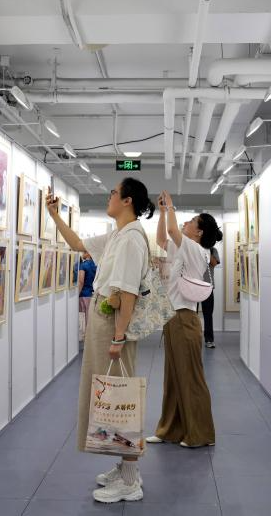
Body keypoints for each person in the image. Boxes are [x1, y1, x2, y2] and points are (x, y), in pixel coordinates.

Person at [44, 178, 155, 504]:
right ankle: (125, 468)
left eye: (113, 192)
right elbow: (78, 244)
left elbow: (128, 295)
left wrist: (118, 338)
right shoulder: (119, 234)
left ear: (127, 200)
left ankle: (130, 480)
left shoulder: (131, 239)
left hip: (113, 325)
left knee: (121, 399)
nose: (109, 197)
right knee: (111, 397)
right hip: (105, 321)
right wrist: (54, 216)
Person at [146, 190, 220, 448]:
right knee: (173, 377)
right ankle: (169, 430)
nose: (186, 222)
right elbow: (161, 238)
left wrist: (171, 207)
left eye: (192, 221)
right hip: (174, 317)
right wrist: (162, 212)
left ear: (199, 232)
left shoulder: (197, 250)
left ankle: (200, 434)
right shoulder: (184, 249)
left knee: (190, 377)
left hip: (184, 318)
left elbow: (172, 230)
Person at [76, 252, 96, 343]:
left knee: (83, 319)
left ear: (88, 253)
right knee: (90, 318)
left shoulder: (83, 265)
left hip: (84, 295)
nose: (82, 254)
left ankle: (85, 341)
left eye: (84, 252)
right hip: (92, 295)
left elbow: (81, 281)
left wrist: (76, 295)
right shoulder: (95, 265)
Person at [202, 246, 220, 348]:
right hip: (193, 285)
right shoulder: (193, 247)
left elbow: (214, 263)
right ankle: (190, 339)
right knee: (191, 314)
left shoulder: (212, 249)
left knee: (208, 314)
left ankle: (209, 339)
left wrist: (207, 250)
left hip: (207, 287)